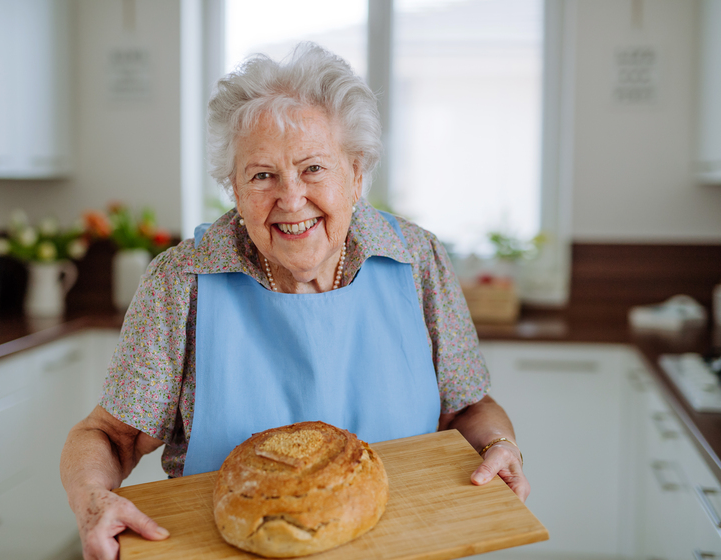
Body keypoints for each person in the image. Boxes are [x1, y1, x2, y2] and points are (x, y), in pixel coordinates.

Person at [61, 42, 529, 560]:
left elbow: (469, 406)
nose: (290, 198)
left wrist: (498, 447)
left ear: (356, 173)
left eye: (313, 169)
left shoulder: (415, 258)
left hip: (406, 544)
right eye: (262, 174)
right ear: (234, 189)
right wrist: (92, 499)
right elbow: (109, 436)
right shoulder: (182, 281)